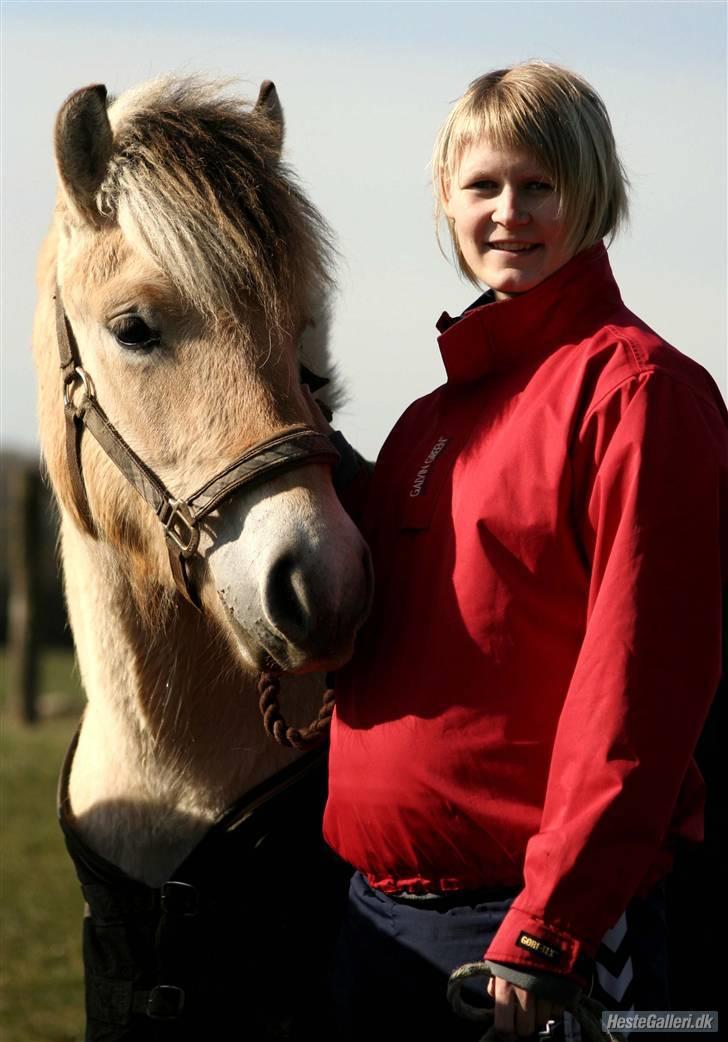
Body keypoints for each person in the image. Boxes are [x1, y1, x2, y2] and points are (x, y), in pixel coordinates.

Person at [312, 61, 727, 1041]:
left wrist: (551, 929)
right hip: (373, 922)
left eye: (537, 184)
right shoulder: (427, 420)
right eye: (481, 186)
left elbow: (640, 688)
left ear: (590, 195)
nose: (507, 211)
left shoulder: (640, 394)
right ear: (445, 204)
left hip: (529, 944)